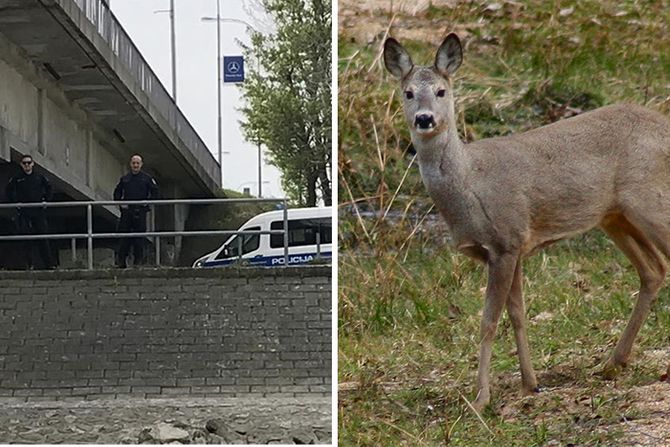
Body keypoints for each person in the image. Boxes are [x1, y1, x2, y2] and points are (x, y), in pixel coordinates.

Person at [5, 154, 55, 269]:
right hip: (24, 212)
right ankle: (29, 265)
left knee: (42, 237)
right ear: (21, 165)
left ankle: (49, 265)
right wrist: (15, 203)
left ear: (33, 164)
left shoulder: (39, 177)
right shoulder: (17, 178)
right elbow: (8, 190)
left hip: (38, 211)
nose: (27, 165)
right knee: (26, 238)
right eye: (24, 163)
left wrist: (46, 200)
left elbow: (49, 187)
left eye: (28, 163)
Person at [113, 154, 159, 268]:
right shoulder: (125, 178)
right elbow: (117, 193)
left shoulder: (147, 178)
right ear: (130, 164)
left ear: (141, 164)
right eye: (133, 163)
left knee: (139, 238)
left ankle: (138, 262)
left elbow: (155, 193)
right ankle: (121, 262)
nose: (135, 165)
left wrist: (147, 203)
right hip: (127, 212)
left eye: (137, 163)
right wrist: (121, 204)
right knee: (124, 237)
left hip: (140, 212)